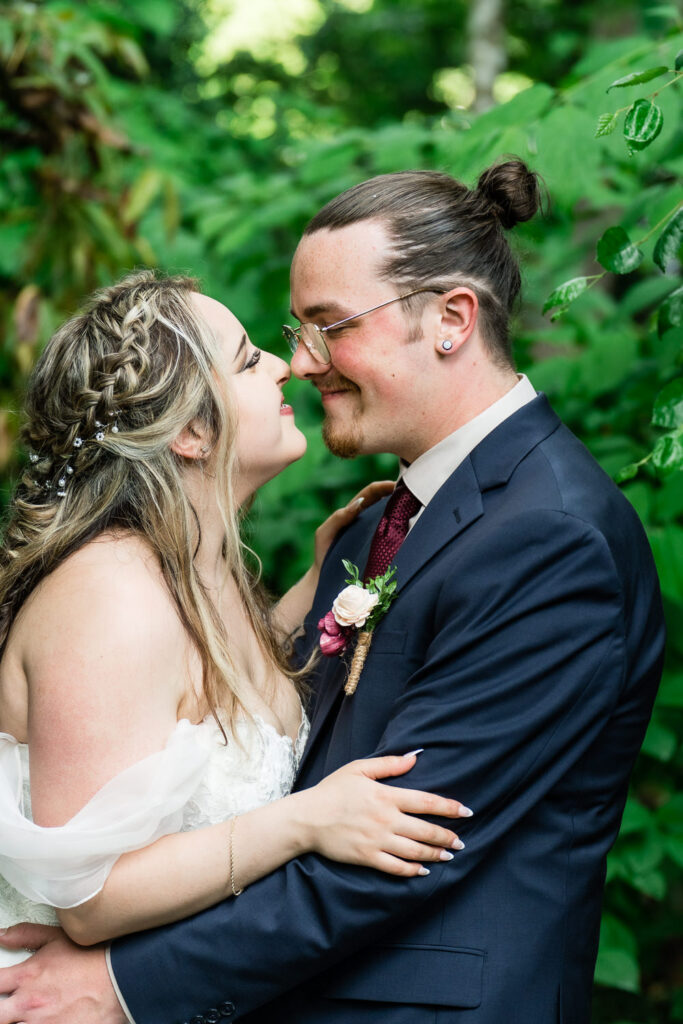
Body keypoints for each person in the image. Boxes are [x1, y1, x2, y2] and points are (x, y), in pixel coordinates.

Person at [0, 160, 665, 1024]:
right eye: (283, 335)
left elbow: (407, 836)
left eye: (329, 324)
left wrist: (121, 983)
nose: (301, 361)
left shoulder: (552, 538)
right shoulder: (367, 531)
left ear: (451, 321)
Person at [0, 272, 468, 991]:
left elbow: (206, 709)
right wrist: (308, 820)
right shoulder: (109, 598)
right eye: (249, 359)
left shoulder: (194, 574)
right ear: (190, 431)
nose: (286, 365)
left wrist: (322, 583)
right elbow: (89, 898)